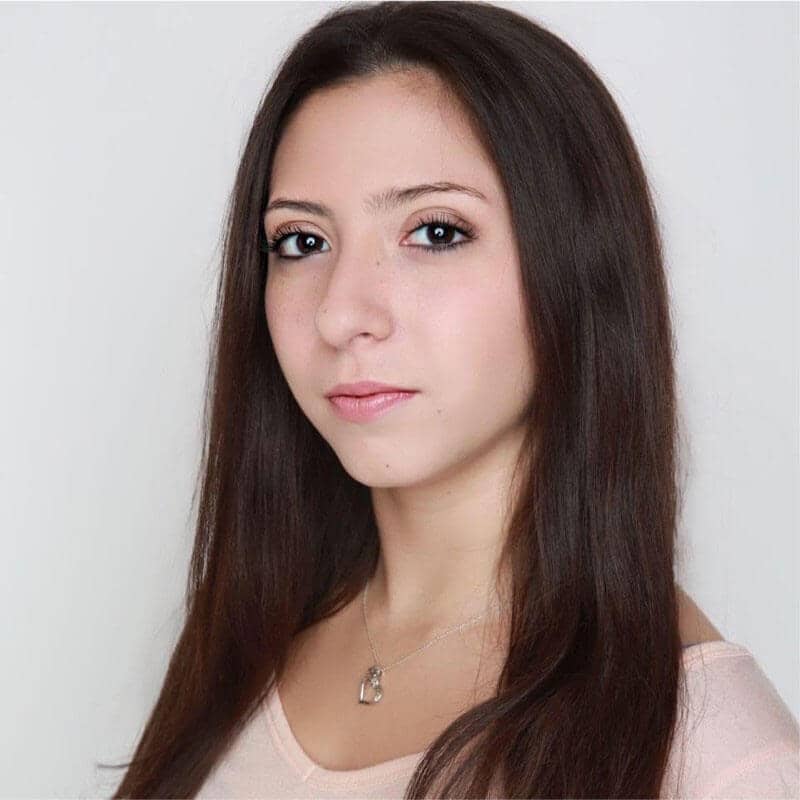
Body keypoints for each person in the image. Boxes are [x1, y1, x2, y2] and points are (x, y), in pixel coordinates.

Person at [106, 2, 799, 798]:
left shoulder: (718, 758)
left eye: (434, 232)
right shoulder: (246, 643)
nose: (340, 314)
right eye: (301, 241)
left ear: (575, 266)